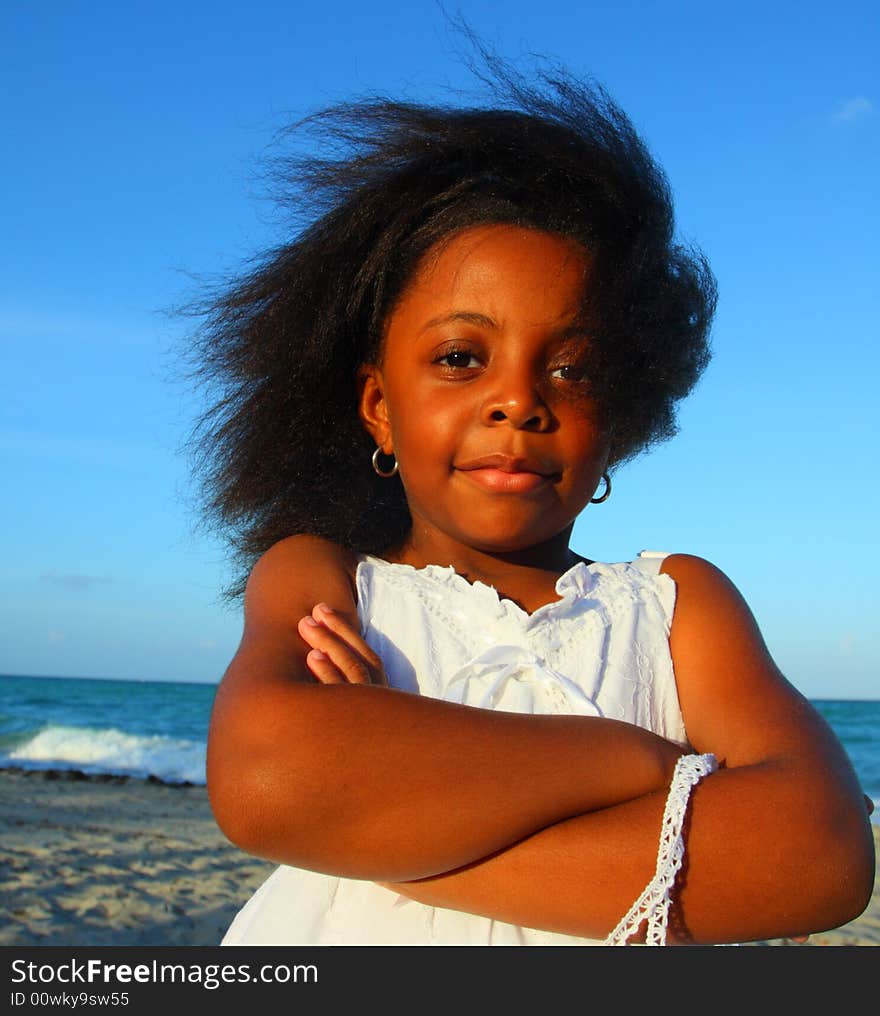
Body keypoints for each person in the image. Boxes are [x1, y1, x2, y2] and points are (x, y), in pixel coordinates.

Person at [193, 50, 875, 946]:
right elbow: (271, 781)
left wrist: (387, 830)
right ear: (378, 410)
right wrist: (641, 762)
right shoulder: (327, 580)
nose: (519, 399)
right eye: (459, 358)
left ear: (619, 426)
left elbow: (821, 855)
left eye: (571, 368)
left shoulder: (675, 607)